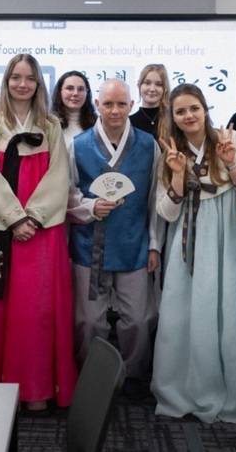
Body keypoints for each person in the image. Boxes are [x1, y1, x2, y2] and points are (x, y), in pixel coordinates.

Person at [0, 54, 77, 410]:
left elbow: (59, 177)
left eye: (29, 78)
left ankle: (36, 388)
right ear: (7, 81)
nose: (22, 84)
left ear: (39, 83)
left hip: (41, 231)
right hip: (0, 228)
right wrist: (13, 218)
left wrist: (34, 218)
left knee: (36, 311)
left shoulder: (52, 125)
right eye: (15, 77)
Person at [151, 84, 236, 423]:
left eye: (194, 108)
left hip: (231, 233)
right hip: (189, 240)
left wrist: (231, 166)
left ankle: (228, 389)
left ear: (205, 108)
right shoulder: (170, 151)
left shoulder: (232, 140)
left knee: (228, 308)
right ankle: (185, 387)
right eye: (180, 111)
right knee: (185, 312)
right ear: (173, 116)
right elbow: (166, 212)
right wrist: (179, 176)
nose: (188, 116)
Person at [66, 79, 161, 401]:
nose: (115, 111)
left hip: (133, 242)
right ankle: (93, 376)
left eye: (121, 104)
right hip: (89, 244)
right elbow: (67, 192)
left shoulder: (149, 145)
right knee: (88, 320)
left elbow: (153, 200)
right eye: (108, 104)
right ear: (97, 105)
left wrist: (153, 243)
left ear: (132, 105)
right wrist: (90, 206)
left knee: (139, 318)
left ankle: (133, 375)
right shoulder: (78, 145)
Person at [52, 70, 96, 147]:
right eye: (70, 88)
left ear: (87, 93)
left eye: (81, 89)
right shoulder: (49, 124)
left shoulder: (97, 125)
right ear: (60, 91)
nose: (75, 93)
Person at [129, 63, 170, 139]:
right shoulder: (128, 123)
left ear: (165, 88)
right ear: (139, 84)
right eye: (147, 83)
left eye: (158, 84)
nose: (152, 89)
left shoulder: (173, 121)